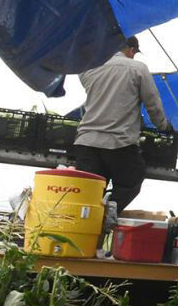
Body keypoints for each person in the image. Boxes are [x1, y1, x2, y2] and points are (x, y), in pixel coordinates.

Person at [71, 36, 168, 217]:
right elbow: (152, 104)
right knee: (130, 181)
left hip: (86, 142)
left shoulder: (89, 67)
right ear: (131, 50)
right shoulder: (138, 68)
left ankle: (88, 227)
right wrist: (163, 125)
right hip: (118, 143)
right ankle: (111, 209)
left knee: (90, 192)